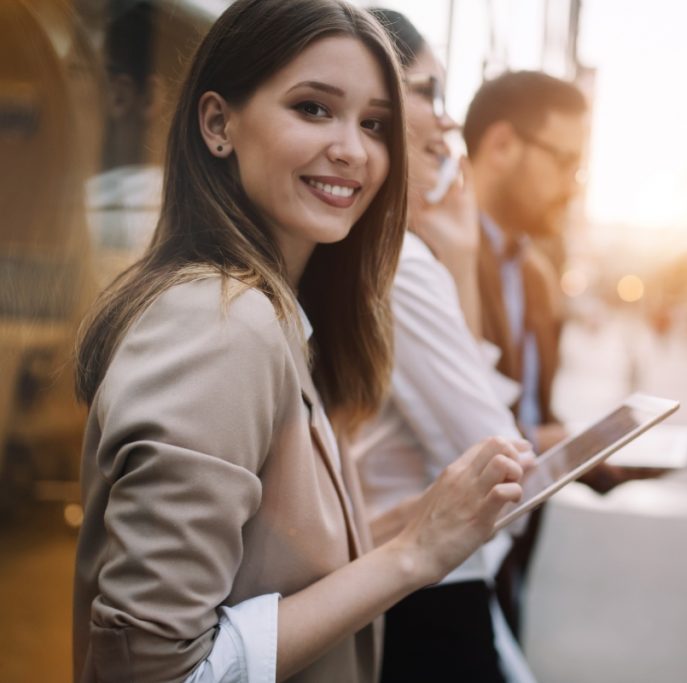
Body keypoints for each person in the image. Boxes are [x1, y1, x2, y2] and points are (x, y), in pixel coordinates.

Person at [71, 2, 525, 681]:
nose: (353, 148)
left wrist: (402, 526)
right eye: (314, 108)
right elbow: (153, 671)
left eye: (374, 123)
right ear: (219, 123)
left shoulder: (278, 316)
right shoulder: (220, 325)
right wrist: (412, 554)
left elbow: (254, 566)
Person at [352, 9, 535, 682]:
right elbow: (500, 462)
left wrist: (456, 256)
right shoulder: (396, 260)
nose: (448, 120)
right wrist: (453, 259)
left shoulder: (400, 254)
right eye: (427, 92)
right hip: (423, 595)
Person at [465, 71, 649, 637]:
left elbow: (534, 414)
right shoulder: (432, 262)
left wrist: (583, 455)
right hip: (449, 562)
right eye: (564, 162)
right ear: (501, 145)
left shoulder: (538, 275)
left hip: (517, 542)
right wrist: (559, 441)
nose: (573, 185)